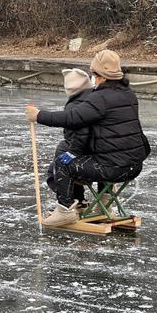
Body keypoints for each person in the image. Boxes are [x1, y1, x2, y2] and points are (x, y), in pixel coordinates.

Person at [25, 50, 150, 227]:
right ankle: (103, 205)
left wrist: (38, 115)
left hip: (113, 169)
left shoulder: (100, 98)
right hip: (134, 166)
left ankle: (66, 210)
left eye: (94, 74)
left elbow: (72, 118)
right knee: (103, 152)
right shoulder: (128, 94)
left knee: (62, 163)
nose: (94, 78)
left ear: (101, 75)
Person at [45, 68, 94, 208]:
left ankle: (70, 201)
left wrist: (72, 151)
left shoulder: (75, 106)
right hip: (111, 156)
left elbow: (78, 138)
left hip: (91, 162)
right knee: (64, 154)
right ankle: (81, 199)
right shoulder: (99, 100)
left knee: (57, 166)